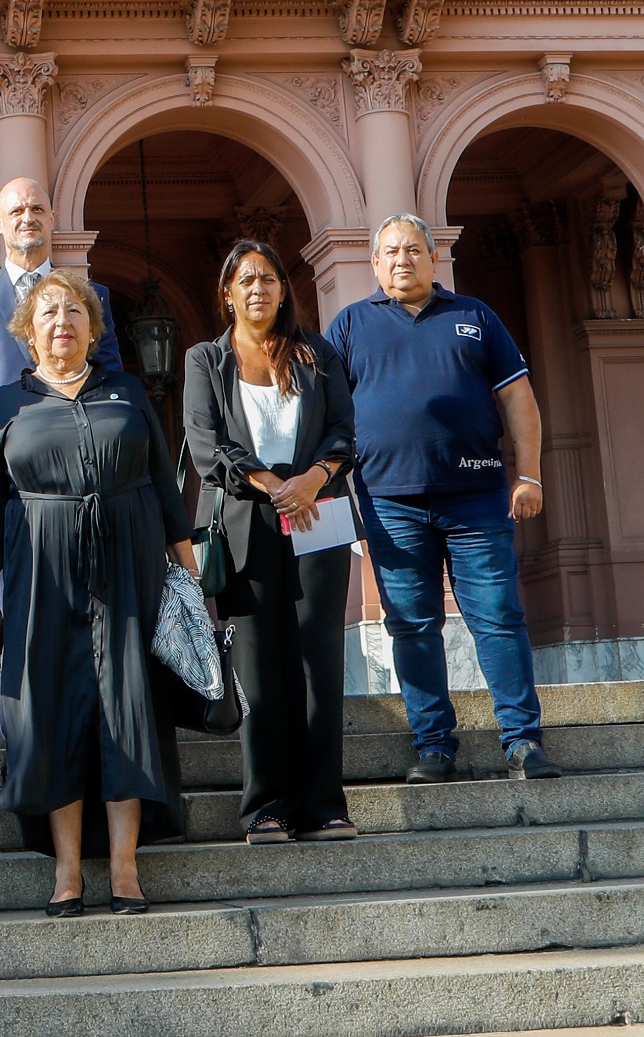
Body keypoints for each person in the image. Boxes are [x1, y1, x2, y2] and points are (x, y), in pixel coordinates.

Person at [0, 269, 196, 917]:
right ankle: (68, 870)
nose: (62, 322)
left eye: (74, 312)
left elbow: (164, 490)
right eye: (49, 313)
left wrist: (190, 581)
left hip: (129, 574)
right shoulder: (6, 407)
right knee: (55, 717)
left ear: (93, 328)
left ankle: (124, 867)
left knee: (129, 708)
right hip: (41, 579)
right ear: (28, 331)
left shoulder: (125, 392)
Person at [328, 212, 558, 784]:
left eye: (412, 250)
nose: (401, 260)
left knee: (499, 619)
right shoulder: (350, 326)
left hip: (477, 497)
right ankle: (434, 745)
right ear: (374, 265)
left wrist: (528, 476)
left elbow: (520, 399)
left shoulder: (475, 317)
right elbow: (324, 416)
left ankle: (523, 741)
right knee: (411, 626)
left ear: (434, 258)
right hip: (388, 504)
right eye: (390, 253)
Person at [183, 239, 357, 841]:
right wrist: (272, 484)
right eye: (246, 280)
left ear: (285, 289)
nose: (258, 289)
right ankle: (268, 806)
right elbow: (207, 445)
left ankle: (324, 804)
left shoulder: (318, 355)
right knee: (258, 668)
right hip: (245, 523)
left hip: (317, 516)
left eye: (269, 279)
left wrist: (310, 481)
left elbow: (343, 432)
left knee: (318, 662)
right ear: (228, 294)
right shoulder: (206, 360)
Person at [0, 177, 122, 444]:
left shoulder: (92, 296)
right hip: (11, 462)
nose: (28, 218)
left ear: (51, 219)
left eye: (37, 209)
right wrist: (4, 446)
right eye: (16, 211)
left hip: (86, 451)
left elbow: (109, 374)